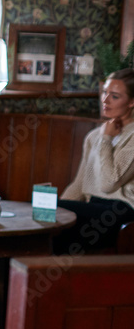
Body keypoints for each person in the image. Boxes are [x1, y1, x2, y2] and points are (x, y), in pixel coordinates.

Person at [55, 68, 134, 254]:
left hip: (122, 212)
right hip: (93, 208)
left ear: (131, 102)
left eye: (114, 96)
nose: (105, 100)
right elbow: (80, 183)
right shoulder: (94, 136)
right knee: (45, 216)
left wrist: (106, 139)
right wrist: (54, 210)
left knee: (60, 231)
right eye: (104, 92)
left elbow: (108, 184)